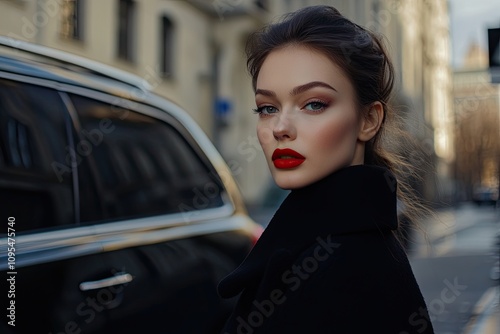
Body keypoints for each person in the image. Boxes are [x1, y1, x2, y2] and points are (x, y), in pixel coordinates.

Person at [217, 5, 434, 334]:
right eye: (267, 107)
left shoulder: (349, 268)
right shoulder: (328, 246)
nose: (280, 127)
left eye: (313, 104)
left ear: (368, 120)